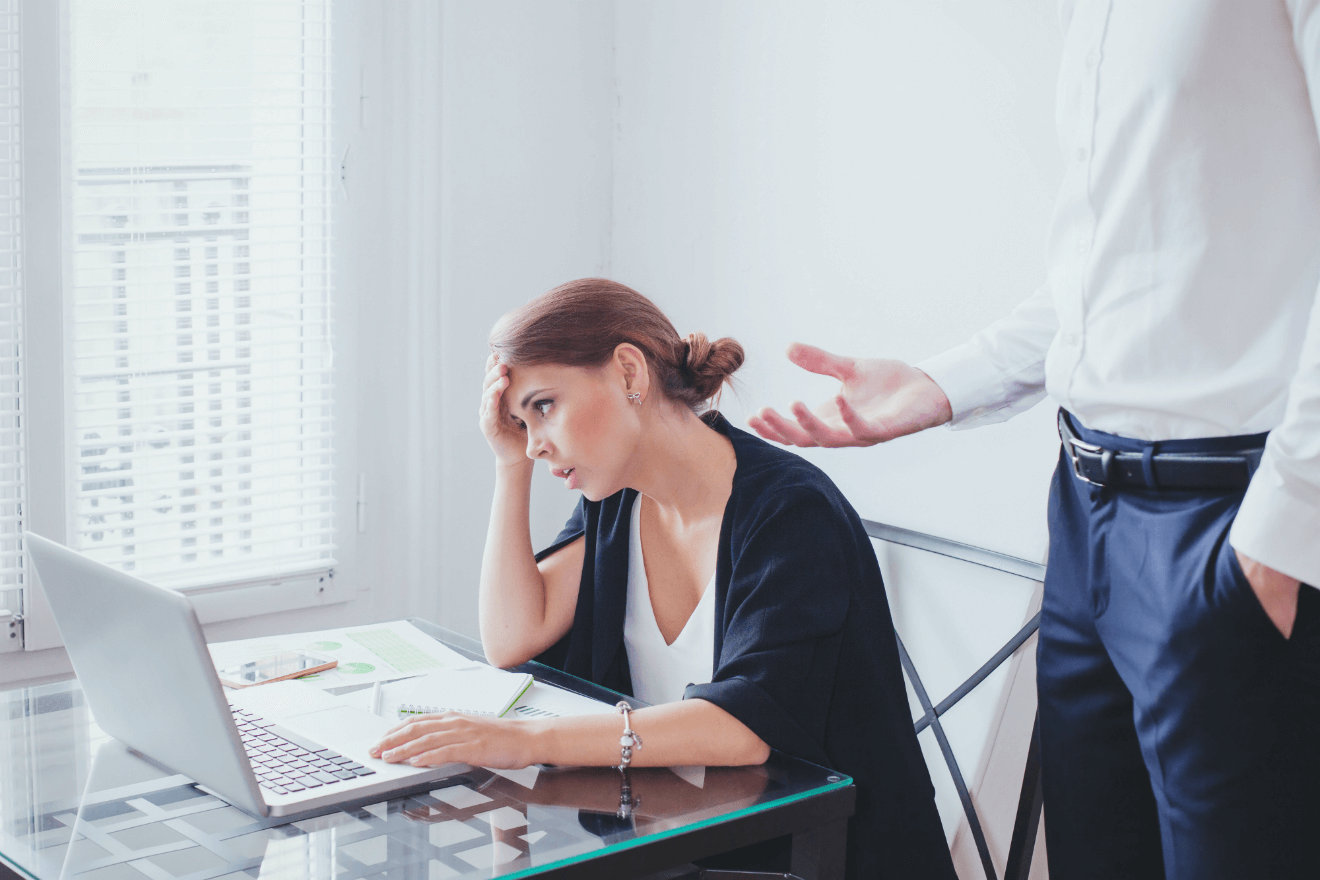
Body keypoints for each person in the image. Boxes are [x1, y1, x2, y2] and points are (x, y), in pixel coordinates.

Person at [750, 4, 1320, 879]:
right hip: (1085, 512)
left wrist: (1282, 537)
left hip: (1228, 522)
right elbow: (1112, 267)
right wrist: (944, 385)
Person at [370, 278, 956, 880]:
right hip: (678, 848)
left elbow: (745, 727)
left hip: (813, 857)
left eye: (543, 406)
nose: (536, 443)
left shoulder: (790, 511)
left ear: (629, 372)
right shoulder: (618, 499)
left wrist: (525, 741)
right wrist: (508, 464)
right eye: (521, 423)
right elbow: (513, 636)